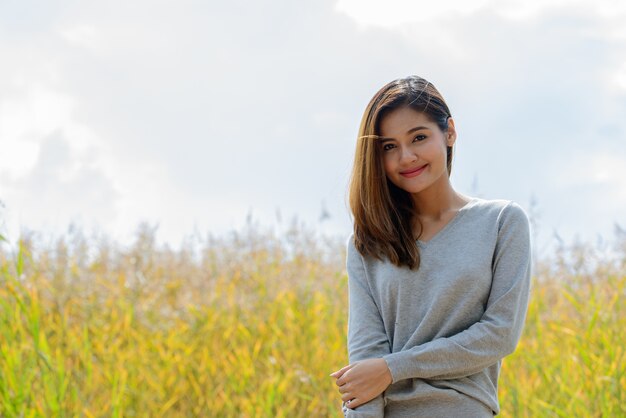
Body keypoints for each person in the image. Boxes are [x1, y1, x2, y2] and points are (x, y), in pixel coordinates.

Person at [329, 75, 532, 417]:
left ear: (449, 132)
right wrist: (377, 376)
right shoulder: (368, 242)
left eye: (419, 138)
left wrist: (393, 368)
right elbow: (366, 358)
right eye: (389, 147)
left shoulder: (501, 222)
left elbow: (499, 335)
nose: (406, 157)